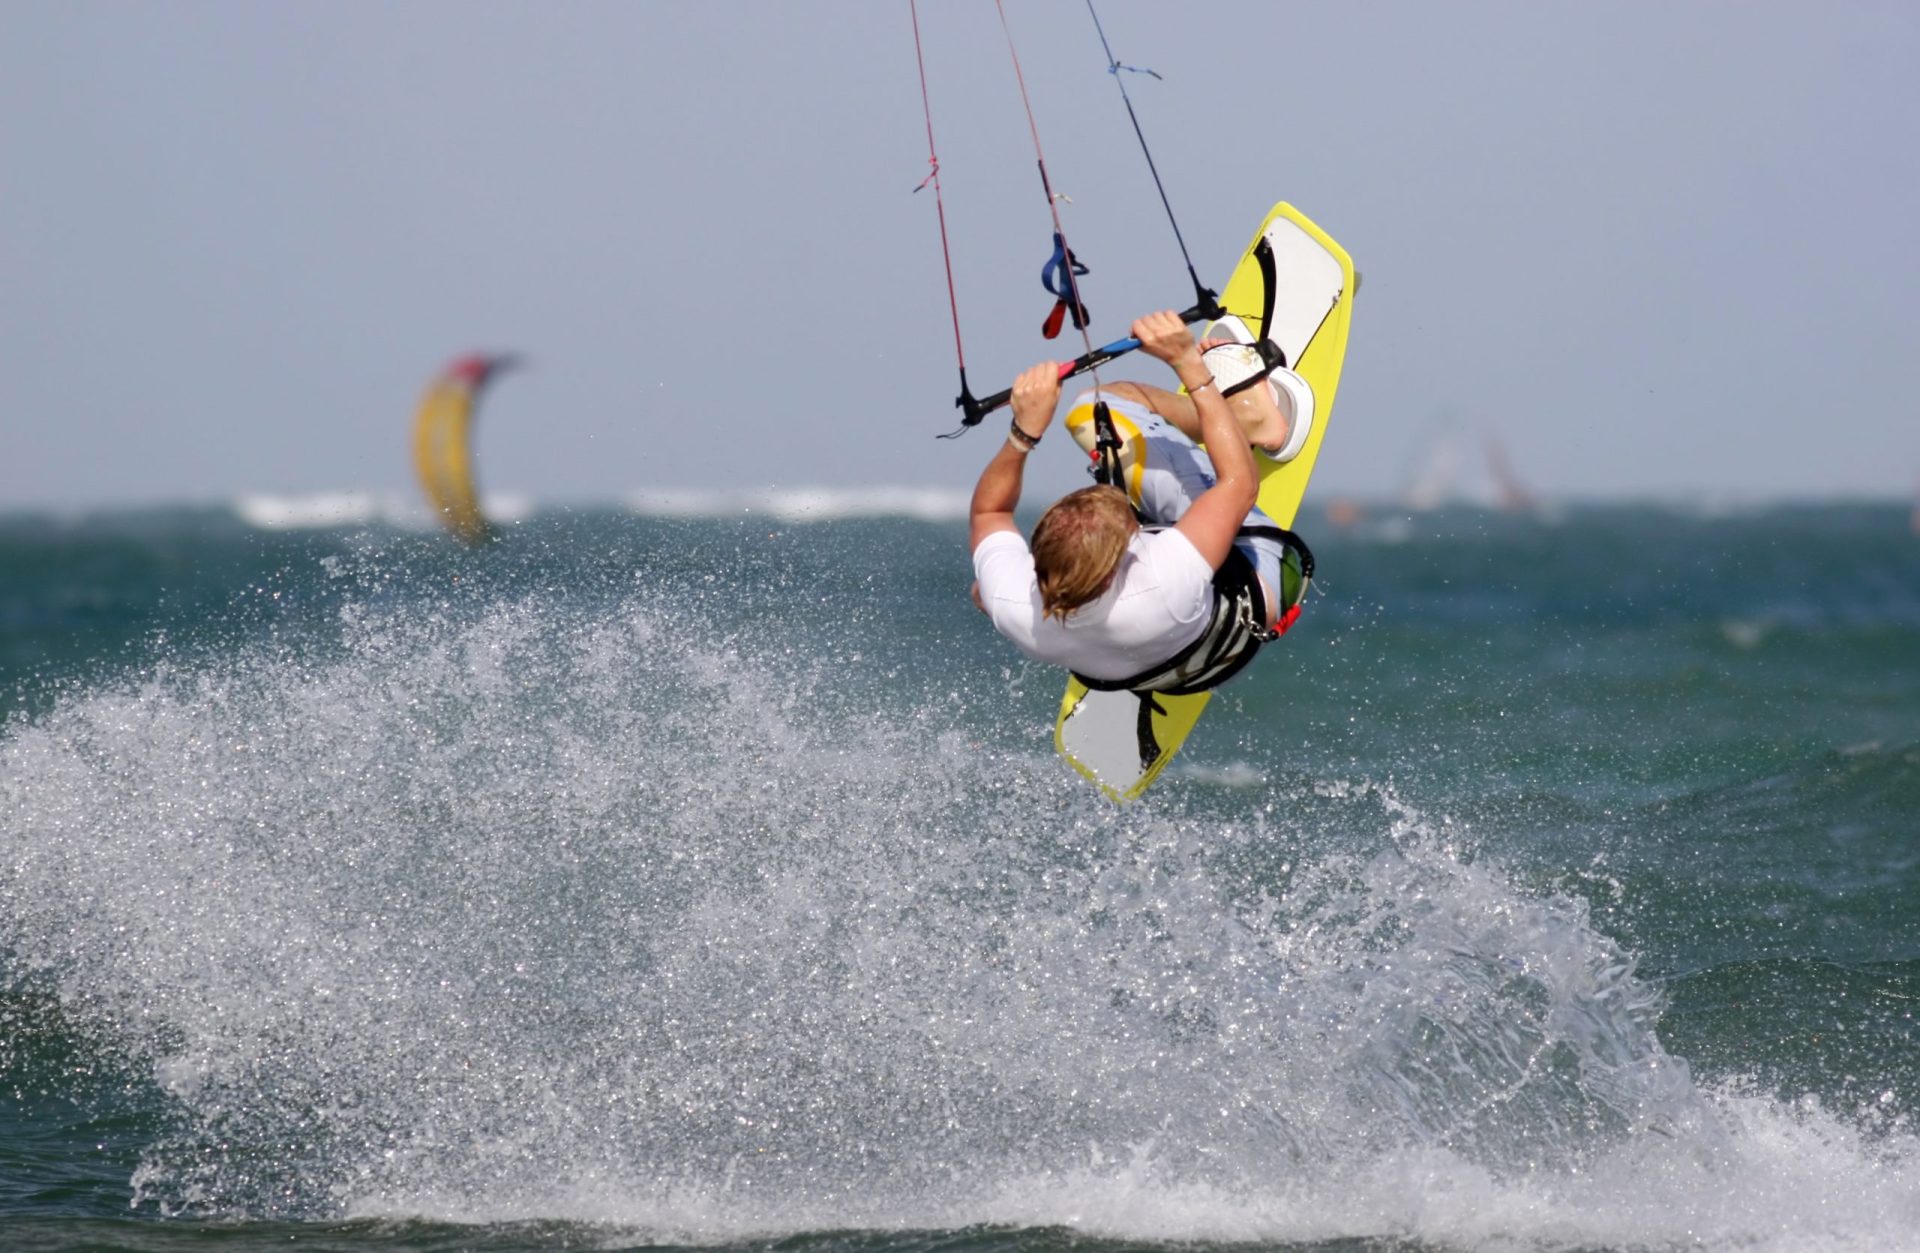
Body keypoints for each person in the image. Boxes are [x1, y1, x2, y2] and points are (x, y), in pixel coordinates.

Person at [969, 309, 1313, 696]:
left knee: (982, 592)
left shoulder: (1016, 604)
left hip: (1169, 671)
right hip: (1258, 580)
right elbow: (1240, 482)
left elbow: (990, 512)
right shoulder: (1162, 578)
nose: (1109, 496)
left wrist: (1024, 431)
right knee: (1095, 406)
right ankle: (1251, 419)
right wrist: (1190, 365)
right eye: (1121, 522)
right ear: (1114, 567)